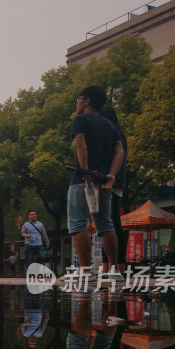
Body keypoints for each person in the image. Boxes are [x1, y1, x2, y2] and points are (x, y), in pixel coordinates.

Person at [66, 86, 124, 279]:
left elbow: (80, 144)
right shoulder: (110, 125)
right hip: (104, 181)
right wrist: (112, 175)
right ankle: (114, 270)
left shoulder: (80, 120)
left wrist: (85, 170)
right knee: (106, 224)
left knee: (78, 223)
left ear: (87, 101)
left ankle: (84, 270)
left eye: (79, 99)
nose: (77, 103)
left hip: (83, 180)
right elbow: (119, 152)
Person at [99, 106, 127, 276]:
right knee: (111, 224)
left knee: (109, 226)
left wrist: (108, 177)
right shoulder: (119, 133)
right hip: (116, 182)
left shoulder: (111, 134)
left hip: (110, 181)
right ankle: (111, 266)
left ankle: (113, 267)